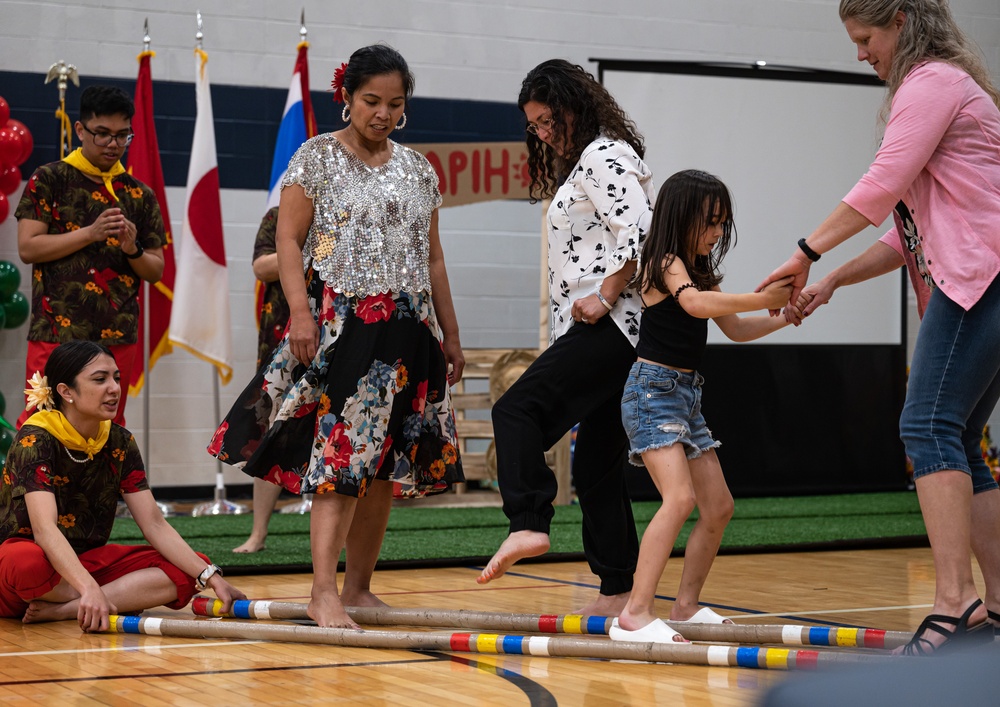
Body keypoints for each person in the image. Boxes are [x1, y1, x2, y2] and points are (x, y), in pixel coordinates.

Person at [760, 0, 1000, 655]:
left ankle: (954, 602)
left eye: (865, 38)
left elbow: (883, 181)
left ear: (900, 20)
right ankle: (995, 604)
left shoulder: (934, 84)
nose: (861, 53)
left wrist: (805, 252)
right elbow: (906, 227)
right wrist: (833, 278)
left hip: (982, 278)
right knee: (959, 435)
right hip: (984, 277)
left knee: (925, 426)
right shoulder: (946, 87)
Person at [208, 44, 465, 628]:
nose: (383, 113)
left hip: (410, 330)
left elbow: (435, 259)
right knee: (341, 461)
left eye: (395, 104)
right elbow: (290, 242)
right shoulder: (315, 157)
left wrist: (450, 333)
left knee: (382, 467)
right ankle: (322, 591)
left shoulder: (418, 167)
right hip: (344, 326)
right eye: (371, 100)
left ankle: (357, 588)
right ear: (346, 97)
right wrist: (300, 312)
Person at [477, 59, 653, 616]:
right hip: (602, 327)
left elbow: (643, 230)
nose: (543, 133)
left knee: (515, 412)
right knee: (597, 464)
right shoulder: (584, 164)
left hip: (613, 325)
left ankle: (528, 521)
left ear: (575, 106)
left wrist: (604, 295)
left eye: (549, 119)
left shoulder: (603, 155)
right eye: (534, 125)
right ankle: (618, 589)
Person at [607, 170, 795, 643]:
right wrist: (762, 296)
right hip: (652, 393)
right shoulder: (662, 260)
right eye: (711, 222)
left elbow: (736, 329)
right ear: (682, 215)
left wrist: (782, 316)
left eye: (722, 224)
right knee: (680, 498)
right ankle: (634, 613)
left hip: (685, 396)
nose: (716, 233)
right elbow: (693, 306)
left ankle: (686, 608)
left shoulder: (699, 268)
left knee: (718, 507)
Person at [0, 341, 245, 631]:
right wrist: (89, 587)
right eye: (100, 379)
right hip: (25, 576)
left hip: (81, 567)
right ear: (66, 392)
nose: (115, 388)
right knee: (24, 561)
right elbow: (44, 530)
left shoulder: (120, 441)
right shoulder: (34, 439)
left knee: (193, 566)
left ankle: (69, 609)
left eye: (116, 378)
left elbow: (154, 524)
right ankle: (91, 598)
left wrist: (211, 577)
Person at [14, 85, 166, 428]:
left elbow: (155, 270)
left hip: (116, 335)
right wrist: (90, 234)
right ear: (80, 130)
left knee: (107, 428)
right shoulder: (50, 178)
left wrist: (132, 249)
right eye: (102, 134)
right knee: (43, 423)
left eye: (122, 135)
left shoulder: (139, 194)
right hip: (55, 330)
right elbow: (28, 248)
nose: (113, 144)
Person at [232, 206, 294, 554]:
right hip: (282, 338)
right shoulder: (278, 215)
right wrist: (308, 249)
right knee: (270, 436)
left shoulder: (346, 212)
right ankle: (258, 534)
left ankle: (343, 537)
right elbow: (261, 267)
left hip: (336, 336)